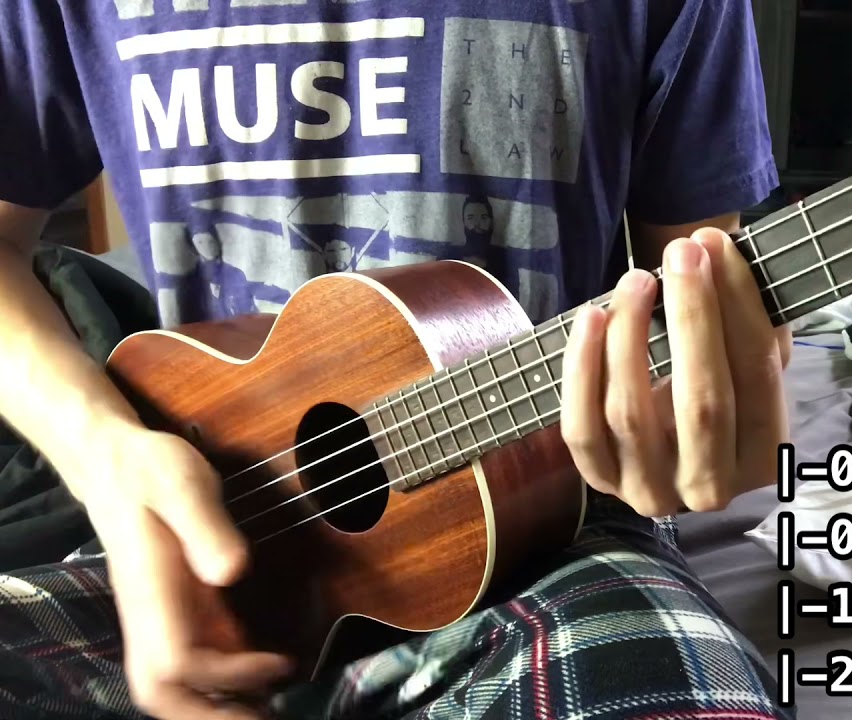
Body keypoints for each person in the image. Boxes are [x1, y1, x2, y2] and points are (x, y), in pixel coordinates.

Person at [0, 2, 794, 719]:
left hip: (555, 535)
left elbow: (698, 294)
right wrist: (106, 461)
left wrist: (701, 411)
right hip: (200, 546)